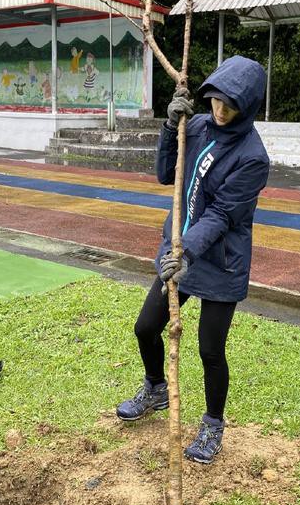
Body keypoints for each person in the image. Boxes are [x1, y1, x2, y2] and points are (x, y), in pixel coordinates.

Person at [116, 55, 270, 463]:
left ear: (248, 106)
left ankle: (213, 424)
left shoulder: (253, 157)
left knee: (209, 350)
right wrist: (170, 128)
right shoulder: (198, 126)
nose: (220, 111)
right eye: (215, 100)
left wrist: (186, 251)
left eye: (230, 105)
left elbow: (222, 214)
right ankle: (156, 388)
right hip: (180, 252)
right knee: (145, 327)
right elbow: (168, 175)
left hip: (219, 261)